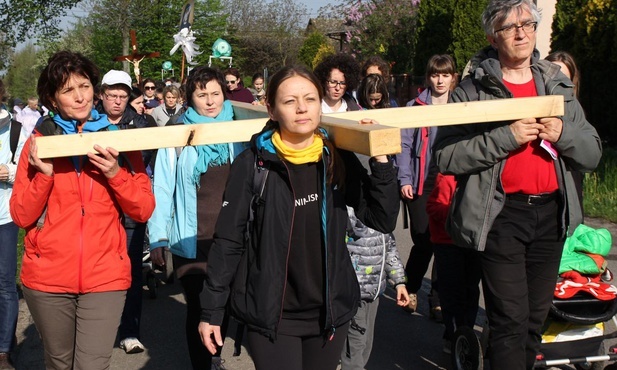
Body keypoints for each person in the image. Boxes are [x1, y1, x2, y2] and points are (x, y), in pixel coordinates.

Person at [433, 1, 602, 368]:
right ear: (494, 37)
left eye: (527, 24)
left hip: (551, 216)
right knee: (509, 320)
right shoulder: (472, 90)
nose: (521, 33)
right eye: (510, 27)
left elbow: (591, 154)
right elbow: (445, 157)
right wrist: (505, 138)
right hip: (501, 216)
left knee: (533, 321)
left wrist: (564, 134)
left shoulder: (556, 83)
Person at [198, 65, 399, 370]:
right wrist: (211, 310)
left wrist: (380, 158)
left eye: (310, 99)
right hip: (273, 318)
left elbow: (382, 218)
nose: (302, 108)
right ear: (272, 109)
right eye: (290, 101)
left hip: (329, 313)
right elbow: (228, 241)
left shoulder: (335, 158)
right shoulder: (253, 164)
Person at [9, 50, 155, 370]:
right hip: (47, 278)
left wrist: (115, 173)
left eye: (85, 86)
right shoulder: (39, 143)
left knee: (91, 365)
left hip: (105, 277)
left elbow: (143, 209)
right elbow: (21, 215)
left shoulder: (121, 141)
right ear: (52, 98)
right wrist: (43, 178)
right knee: (59, 364)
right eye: (68, 90)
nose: (80, 98)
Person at [148, 66, 246, 370]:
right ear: (191, 98)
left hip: (231, 238)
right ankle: (204, 365)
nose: (211, 101)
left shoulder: (240, 130)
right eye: (202, 95)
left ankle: (214, 356)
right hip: (190, 239)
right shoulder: (178, 134)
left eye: (216, 93)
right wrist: (158, 240)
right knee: (200, 308)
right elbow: (162, 188)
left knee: (226, 304)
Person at [395, 54, 458, 320]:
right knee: (423, 241)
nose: (440, 80)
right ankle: (409, 290)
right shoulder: (415, 105)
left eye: (445, 74)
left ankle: (438, 299)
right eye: (435, 74)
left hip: (450, 182)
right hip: (421, 183)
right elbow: (405, 146)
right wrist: (405, 179)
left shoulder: (461, 105)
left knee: (445, 243)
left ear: (453, 77)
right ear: (428, 77)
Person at [96, 69, 152, 355]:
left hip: (130, 206)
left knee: (130, 271)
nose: (117, 101)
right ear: (101, 95)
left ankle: (130, 331)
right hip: (98, 208)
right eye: (111, 96)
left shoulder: (142, 124)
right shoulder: (87, 123)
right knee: (100, 271)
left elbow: (142, 158)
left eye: (122, 96)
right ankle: (102, 329)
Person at [340, 206, 409, 370]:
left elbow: (390, 250)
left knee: (366, 345)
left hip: (375, 292)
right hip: (354, 292)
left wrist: (399, 282)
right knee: (355, 345)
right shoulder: (349, 208)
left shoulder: (382, 215)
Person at [426, 173, 481, 354]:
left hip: (472, 242)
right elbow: (433, 206)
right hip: (447, 242)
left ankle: (465, 334)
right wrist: (458, 212)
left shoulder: (482, 176)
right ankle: (455, 336)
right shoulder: (447, 177)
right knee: (453, 293)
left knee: (471, 291)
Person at [0, 79, 28, 370]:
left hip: (4, 217)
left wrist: (7, 171)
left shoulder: (15, 128)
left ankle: (4, 350)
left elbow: (26, 166)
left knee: (6, 285)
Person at [546, 51, 584, 214]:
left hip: (568, 179)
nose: (558, 86)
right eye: (554, 78)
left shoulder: (576, 113)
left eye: (564, 80)